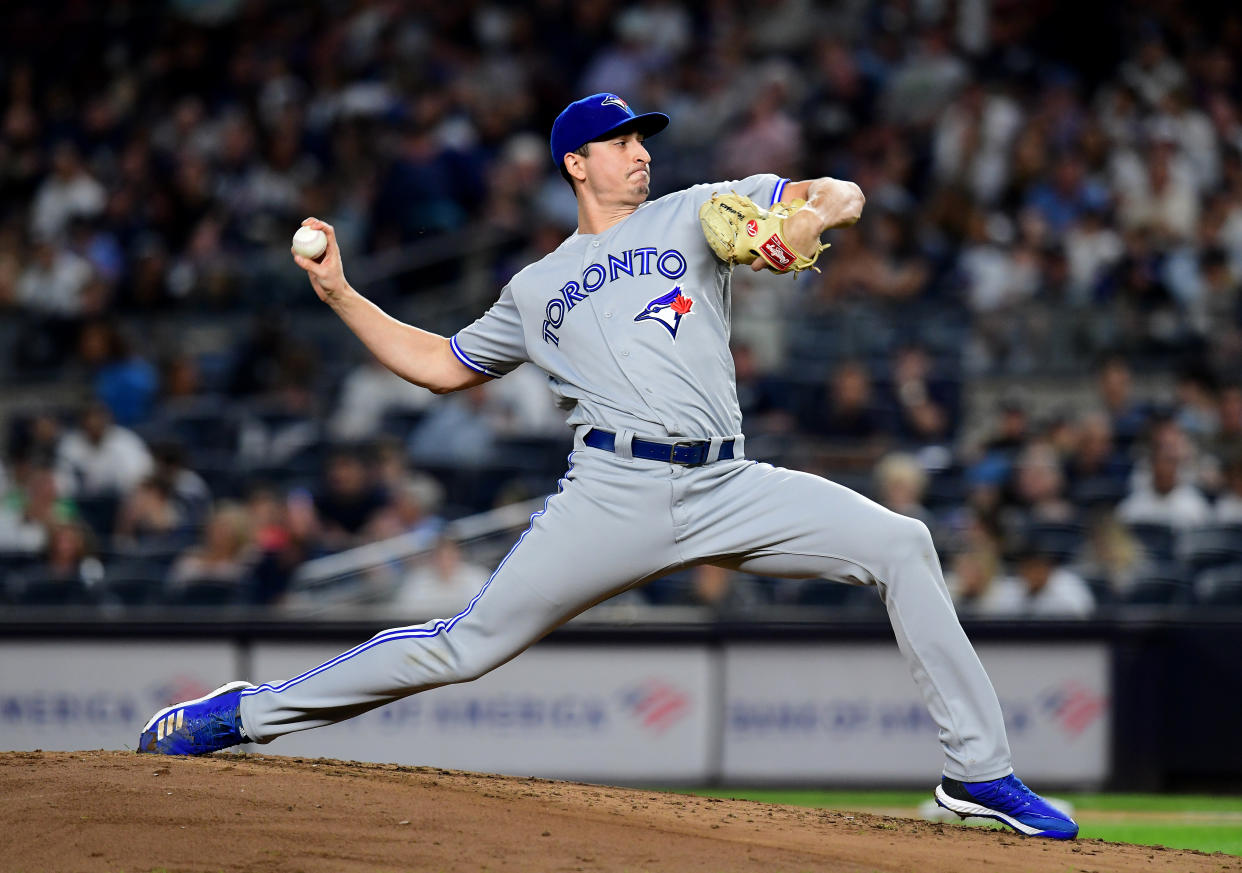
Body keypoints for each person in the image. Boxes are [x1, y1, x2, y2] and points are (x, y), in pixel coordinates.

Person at [138, 93, 1078, 840]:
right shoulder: (533, 285)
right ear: (575, 164)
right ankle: (247, 715)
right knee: (465, 647)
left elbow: (834, 193)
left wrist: (812, 214)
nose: (641, 151)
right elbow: (435, 365)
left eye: (644, 138)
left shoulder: (697, 212)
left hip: (727, 483)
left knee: (903, 542)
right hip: (612, 492)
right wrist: (340, 291)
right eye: (621, 140)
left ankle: (977, 772)